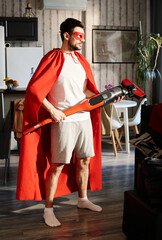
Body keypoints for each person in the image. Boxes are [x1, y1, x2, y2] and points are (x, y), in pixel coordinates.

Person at [16, 18, 122, 227]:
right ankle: (48, 209)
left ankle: (82, 199)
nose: (82, 40)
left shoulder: (80, 60)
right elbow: (35, 90)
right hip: (64, 120)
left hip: (83, 118)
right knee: (57, 165)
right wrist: (53, 110)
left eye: (83, 36)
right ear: (66, 35)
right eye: (79, 35)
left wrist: (106, 97)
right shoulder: (53, 58)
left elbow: (85, 90)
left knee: (84, 161)